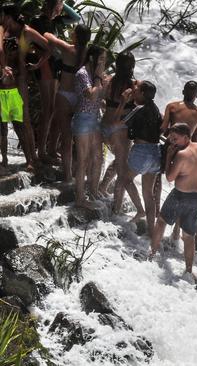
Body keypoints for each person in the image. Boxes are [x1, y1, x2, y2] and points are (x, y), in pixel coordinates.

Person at [149, 123, 197, 278]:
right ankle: (188, 271)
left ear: (186, 137)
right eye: (170, 138)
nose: (172, 141)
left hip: (180, 195)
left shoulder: (182, 155)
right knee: (188, 235)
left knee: (161, 221)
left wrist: (169, 156)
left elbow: (169, 177)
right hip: (196, 197)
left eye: (175, 138)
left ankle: (152, 254)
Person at [1, 4, 51, 172]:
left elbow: (49, 47)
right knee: (16, 121)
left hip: (21, 78)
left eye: (3, 16)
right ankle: (31, 158)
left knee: (25, 120)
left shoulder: (27, 31)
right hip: (7, 79)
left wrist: (38, 64)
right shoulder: (6, 30)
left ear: (9, 17)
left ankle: (33, 159)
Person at [97, 52, 145, 222]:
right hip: (121, 130)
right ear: (132, 66)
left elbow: (101, 100)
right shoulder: (134, 86)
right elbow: (141, 105)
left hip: (104, 125)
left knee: (113, 162)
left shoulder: (108, 80)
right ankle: (116, 209)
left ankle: (101, 187)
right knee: (122, 167)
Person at [31, 0, 81, 164]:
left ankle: (50, 149)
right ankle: (42, 151)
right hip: (44, 64)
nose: (62, 8)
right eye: (60, 5)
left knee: (52, 109)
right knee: (48, 108)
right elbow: (37, 44)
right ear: (53, 5)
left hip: (54, 65)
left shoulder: (56, 21)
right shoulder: (37, 20)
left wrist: (62, 4)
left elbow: (76, 17)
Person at [112, 80, 162, 237]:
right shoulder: (156, 109)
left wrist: (122, 102)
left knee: (125, 180)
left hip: (141, 151)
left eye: (136, 89)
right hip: (156, 152)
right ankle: (152, 232)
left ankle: (140, 210)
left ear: (142, 93)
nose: (133, 91)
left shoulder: (139, 109)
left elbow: (116, 123)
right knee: (149, 193)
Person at [159, 80, 197, 241]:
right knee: (182, 190)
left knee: (159, 181)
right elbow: (196, 138)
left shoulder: (172, 106)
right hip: (187, 152)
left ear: (183, 91)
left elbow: (164, 129)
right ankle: (176, 233)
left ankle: (158, 216)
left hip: (170, 148)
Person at [44, 23, 91, 181]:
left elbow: (47, 35)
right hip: (79, 98)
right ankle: (76, 171)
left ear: (75, 36)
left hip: (64, 95)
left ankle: (67, 175)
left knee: (65, 137)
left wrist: (60, 39)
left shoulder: (68, 49)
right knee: (75, 139)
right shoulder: (89, 54)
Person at [71, 45, 107, 208]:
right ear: (92, 58)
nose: (104, 62)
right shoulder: (83, 73)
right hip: (83, 119)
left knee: (98, 157)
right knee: (83, 160)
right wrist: (99, 78)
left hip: (94, 119)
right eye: (101, 59)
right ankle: (79, 198)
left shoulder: (93, 74)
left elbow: (100, 98)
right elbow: (92, 96)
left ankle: (92, 192)